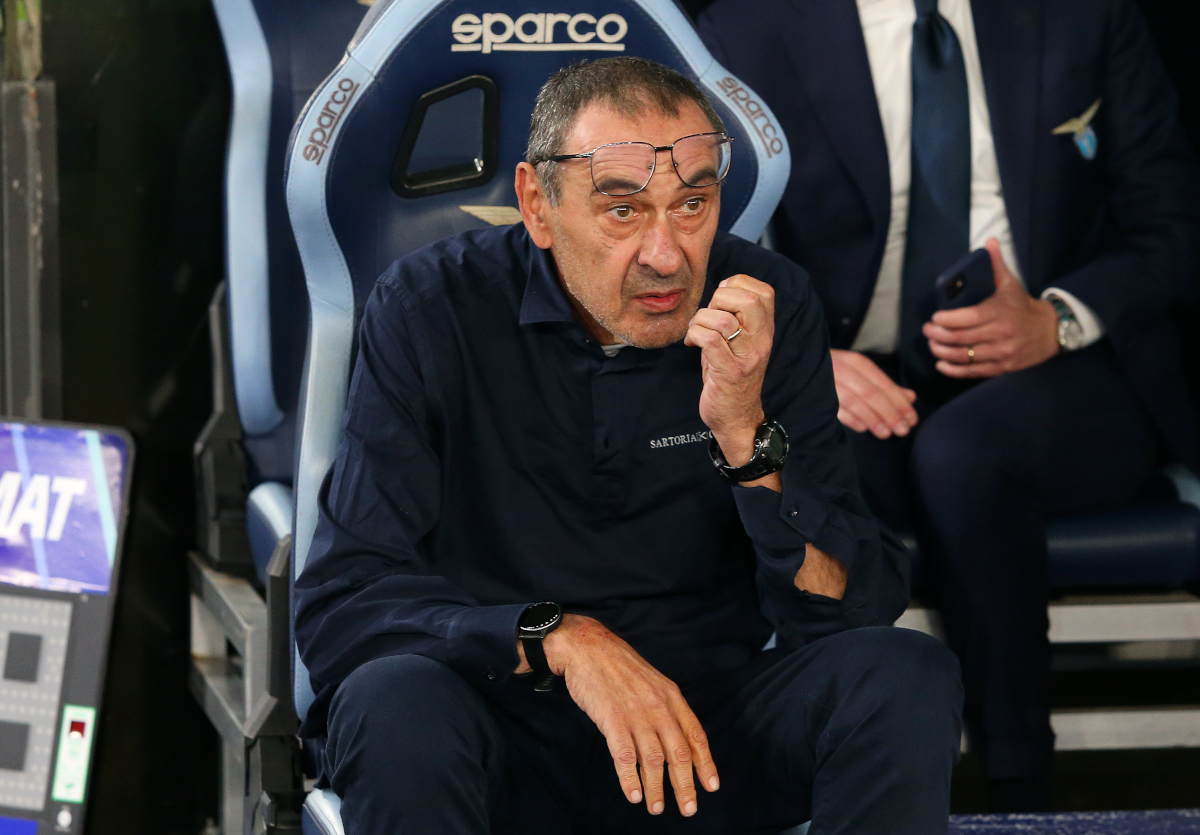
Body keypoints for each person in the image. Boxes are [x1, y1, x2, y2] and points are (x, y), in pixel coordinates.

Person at [294, 57, 962, 835]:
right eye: (622, 211)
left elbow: (852, 610)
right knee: (392, 700)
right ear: (537, 206)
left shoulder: (767, 305)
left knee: (904, 672)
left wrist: (746, 436)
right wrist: (561, 640)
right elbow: (345, 605)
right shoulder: (427, 308)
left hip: (703, 734)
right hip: (500, 728)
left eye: (693, 203)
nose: (667, 254)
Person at [697, 0, 1200, 812]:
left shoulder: (1085, 15)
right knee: (804, 467)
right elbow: (699, 223)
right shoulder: (750, 23)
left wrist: (1058, 318)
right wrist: (806, 355)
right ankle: (810, 784)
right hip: (854, 369)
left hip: (1067, 374)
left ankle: (1019, 785)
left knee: (968, 452)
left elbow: (1173, 222)